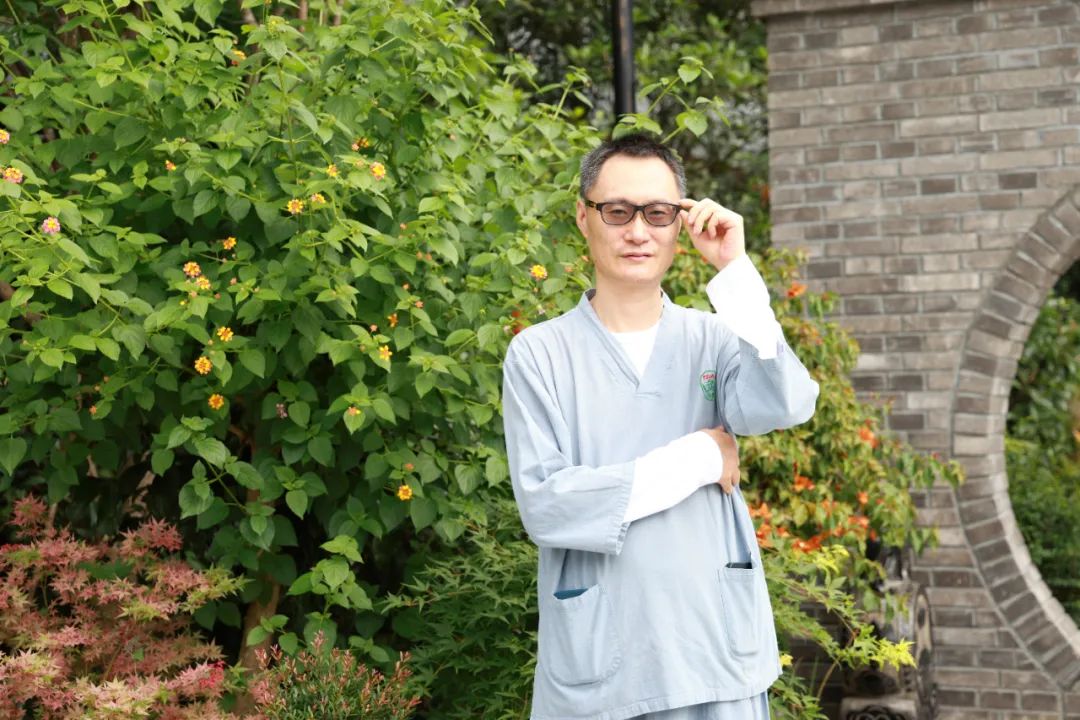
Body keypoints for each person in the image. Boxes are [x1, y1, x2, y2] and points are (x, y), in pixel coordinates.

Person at [500, 132, 820, 720]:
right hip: (602, 666)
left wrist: (735, 271)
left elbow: (785, 403)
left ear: (681, 222)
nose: (638, 231)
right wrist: (699, 457)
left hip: (715, 654)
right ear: (583, 217)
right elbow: (548, 506)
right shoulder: (539, 354)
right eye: (617, 211)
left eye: (657, 213)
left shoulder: (715, 338)